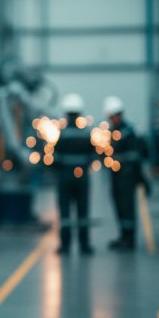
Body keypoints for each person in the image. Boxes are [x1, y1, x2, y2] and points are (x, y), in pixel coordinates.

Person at [102, 96, 149, 251]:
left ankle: (130, 239)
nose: (112, 119)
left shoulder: (129, 132)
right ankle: (123, 236)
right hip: (116, 176)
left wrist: (141, 178)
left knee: (127, 207)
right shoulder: (110, 133)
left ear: (119, 115)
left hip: (127, 176)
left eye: (113, 116)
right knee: (119, 206)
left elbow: (136, 156)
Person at [53, 93, 96, 255]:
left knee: (65, 213)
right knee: (83, 211)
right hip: (82, 177)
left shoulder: (62, 134)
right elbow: (93, 155)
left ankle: (65, 246)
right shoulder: (86, 133)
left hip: (64, 177)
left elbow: (54, 158)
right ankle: (84, 246)